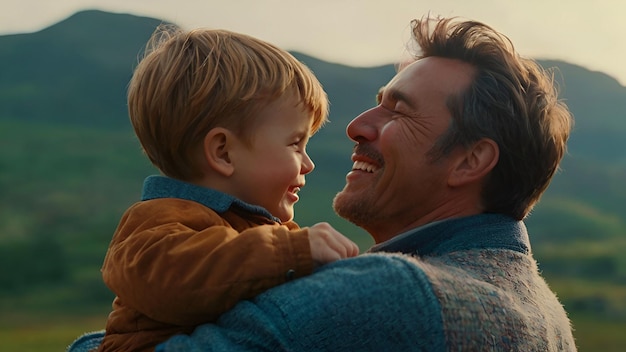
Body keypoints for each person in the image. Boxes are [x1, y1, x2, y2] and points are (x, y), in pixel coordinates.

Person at [69, 15, 577, 351]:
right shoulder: (549, 317)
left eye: (398, 111)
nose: (356, 125)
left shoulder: (386, 296)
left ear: (470, 162)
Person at [89, 25, 359, 352]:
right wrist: (293, 252)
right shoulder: (156, 222)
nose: (308, 164)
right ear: (223, 152)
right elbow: (177, 279)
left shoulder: (262, 230)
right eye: (295, 144)